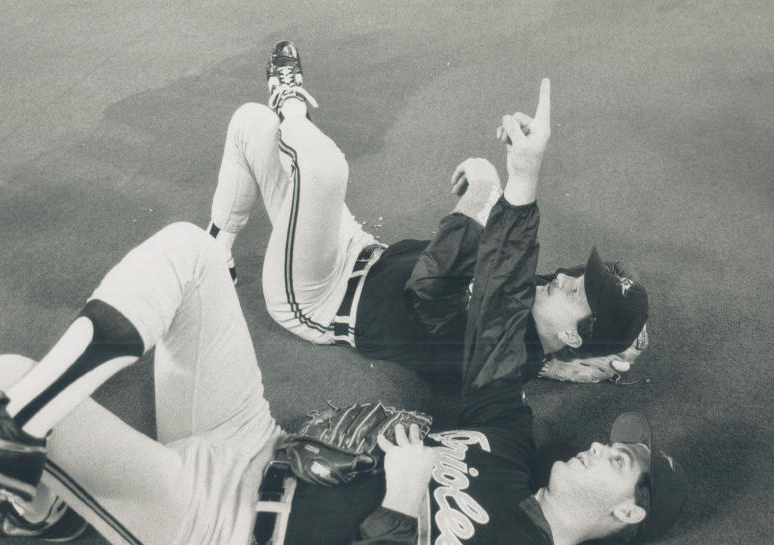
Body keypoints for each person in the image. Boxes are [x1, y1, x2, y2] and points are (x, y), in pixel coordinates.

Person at [0, 66, 688, 545]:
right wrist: (524, 184)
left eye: (624, 461)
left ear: (624, 513)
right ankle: (19, 451)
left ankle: (32, 496)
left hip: (220, 531)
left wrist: (399, 500)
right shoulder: (510, 442)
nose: (606, 450)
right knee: (188, 253)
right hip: (254, 434)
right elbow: (499, 316)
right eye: (620, 444)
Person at [206, 42, 649, 388]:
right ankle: (217, 253)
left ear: (573, 335)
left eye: (579, 293)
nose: (568, 278)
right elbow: (506, 243)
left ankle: (288, 97)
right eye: (581, 276)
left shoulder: (498, 353)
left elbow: (431, 289)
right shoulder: (543, 307)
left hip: (320, 295)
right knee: (250, 123)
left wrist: (483, 193)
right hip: (355, 246)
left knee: (324, 169)